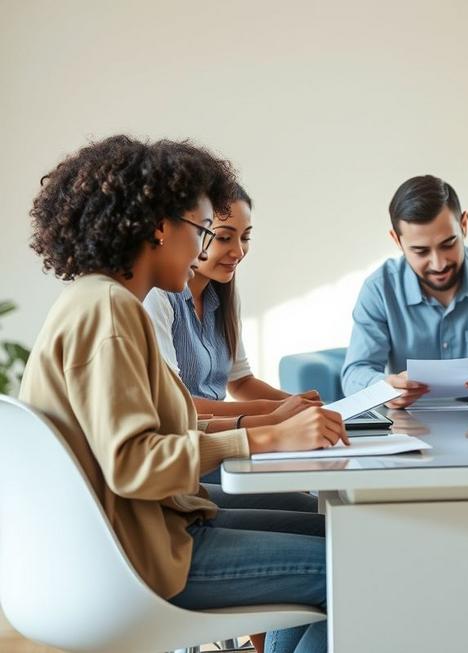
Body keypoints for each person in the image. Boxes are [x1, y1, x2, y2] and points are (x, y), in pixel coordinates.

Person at [20, 135, 348, 653]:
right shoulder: (111, 312)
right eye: (201, 231)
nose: (202, 250)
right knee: (364, 566)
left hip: (145, 536)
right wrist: (258, 440)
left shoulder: (99, 299)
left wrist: (270, 429)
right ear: (159, 227)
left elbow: (165, 429)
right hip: (148, 556)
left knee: (341, 534)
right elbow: (135, 462)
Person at [142, 184, 319, 512]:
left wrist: (304, 407)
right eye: (224, 237)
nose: (238, 251)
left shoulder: (222, 293)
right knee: (306, 507)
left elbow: (241, 382)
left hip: (221, 438)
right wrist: (272, 413)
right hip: (196, 448)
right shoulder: (158, 298)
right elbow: (178, 407)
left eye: (245, 237)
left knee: (313, 498)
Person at [342, 174, 468, 408]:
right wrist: (386, 388)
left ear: (464, 224)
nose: (439, 263)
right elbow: (355, 373)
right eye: (420, 251)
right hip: (409, 427)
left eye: (448, 244)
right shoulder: (380, 288)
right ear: (397, 240)